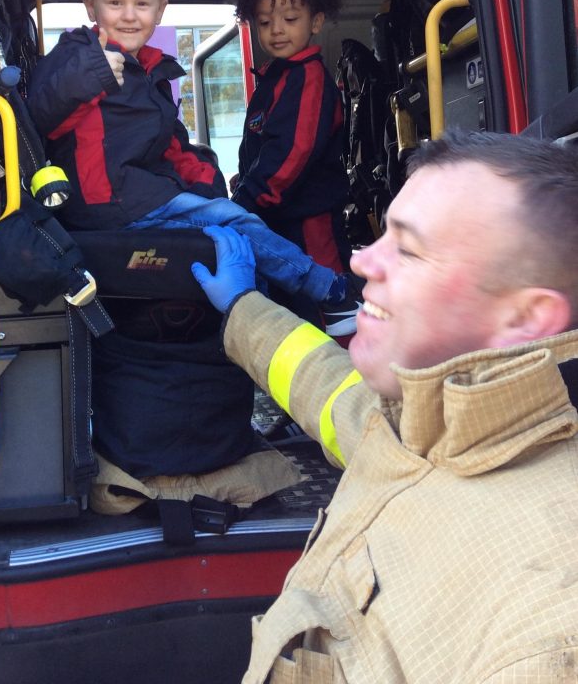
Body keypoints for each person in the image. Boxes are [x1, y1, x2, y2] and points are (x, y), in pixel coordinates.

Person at [191, 130, 578, 683]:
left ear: (526, 319)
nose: (360, 260)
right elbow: (322, 383)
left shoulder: (554, 622)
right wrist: (240, 306)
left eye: (409, 248)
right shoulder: (415, 424)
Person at [28, 0, 360, 331]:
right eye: (116, 3)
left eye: (142, 4)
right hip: (110, 203)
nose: (129, 15)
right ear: (91, 7)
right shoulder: (77, 53)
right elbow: (40, 111)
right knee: (236, 223)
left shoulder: (151, 72)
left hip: (140, 197)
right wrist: (94, 72)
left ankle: (263, 331)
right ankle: (330, 290)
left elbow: (171, 145)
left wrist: (205, 181)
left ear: (160, 10)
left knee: (229, 230)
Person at [231, 0, 350, 276]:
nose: (277, 31)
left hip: (309, 218)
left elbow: (292, 151)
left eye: (291, 19)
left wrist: (247, 199)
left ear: (315, 22)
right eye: (265, 22)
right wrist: (244, 181)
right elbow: (259, 144)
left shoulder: (307, 77)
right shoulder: (275, 78)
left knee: (326, 293)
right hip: (276, 214)